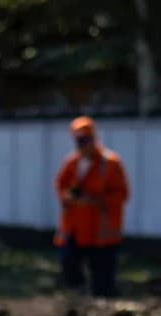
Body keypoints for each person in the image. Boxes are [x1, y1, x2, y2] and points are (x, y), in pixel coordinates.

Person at [53, 116, 130, 299]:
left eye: (85, 140)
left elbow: (121, 194)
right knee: (69, 264)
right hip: (75, 229)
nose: (81, 145)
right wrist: (69, 197)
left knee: (102, 281)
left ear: (93, 139)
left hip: (100, 233)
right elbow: (61, 186)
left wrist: (96, 201)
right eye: (78, 141)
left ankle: (104, 307)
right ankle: (79, 300)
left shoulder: (110, 163)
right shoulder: (72, 163)